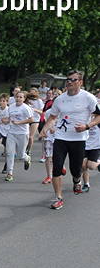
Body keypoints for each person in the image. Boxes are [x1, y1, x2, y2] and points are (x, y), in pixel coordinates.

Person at [40, 70, 100, 209]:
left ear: (80, 82)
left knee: (75, 169)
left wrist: (86, 126)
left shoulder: (88, 98)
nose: (69, 82)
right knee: (57, 167)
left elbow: (98, 117)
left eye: (73, 80)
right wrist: (45, 129)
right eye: (68, 79)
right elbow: (53, 117)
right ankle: (58, 198)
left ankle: (77, 181)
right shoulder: (60, 99)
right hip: (61, 137)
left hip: (78, 139)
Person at [3, 90, 33, 182]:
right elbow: (10, 118)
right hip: (11, 132)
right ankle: (9, 173)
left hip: (23, 133)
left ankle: (26, 158)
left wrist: (19, 122)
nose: (18, 98)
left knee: (20, 155)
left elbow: (31, 120)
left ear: (24, 99)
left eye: (21, 97)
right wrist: (6, 121)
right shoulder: (11, 107)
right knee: (9, 153)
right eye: (17, 97)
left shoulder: (26, 108)